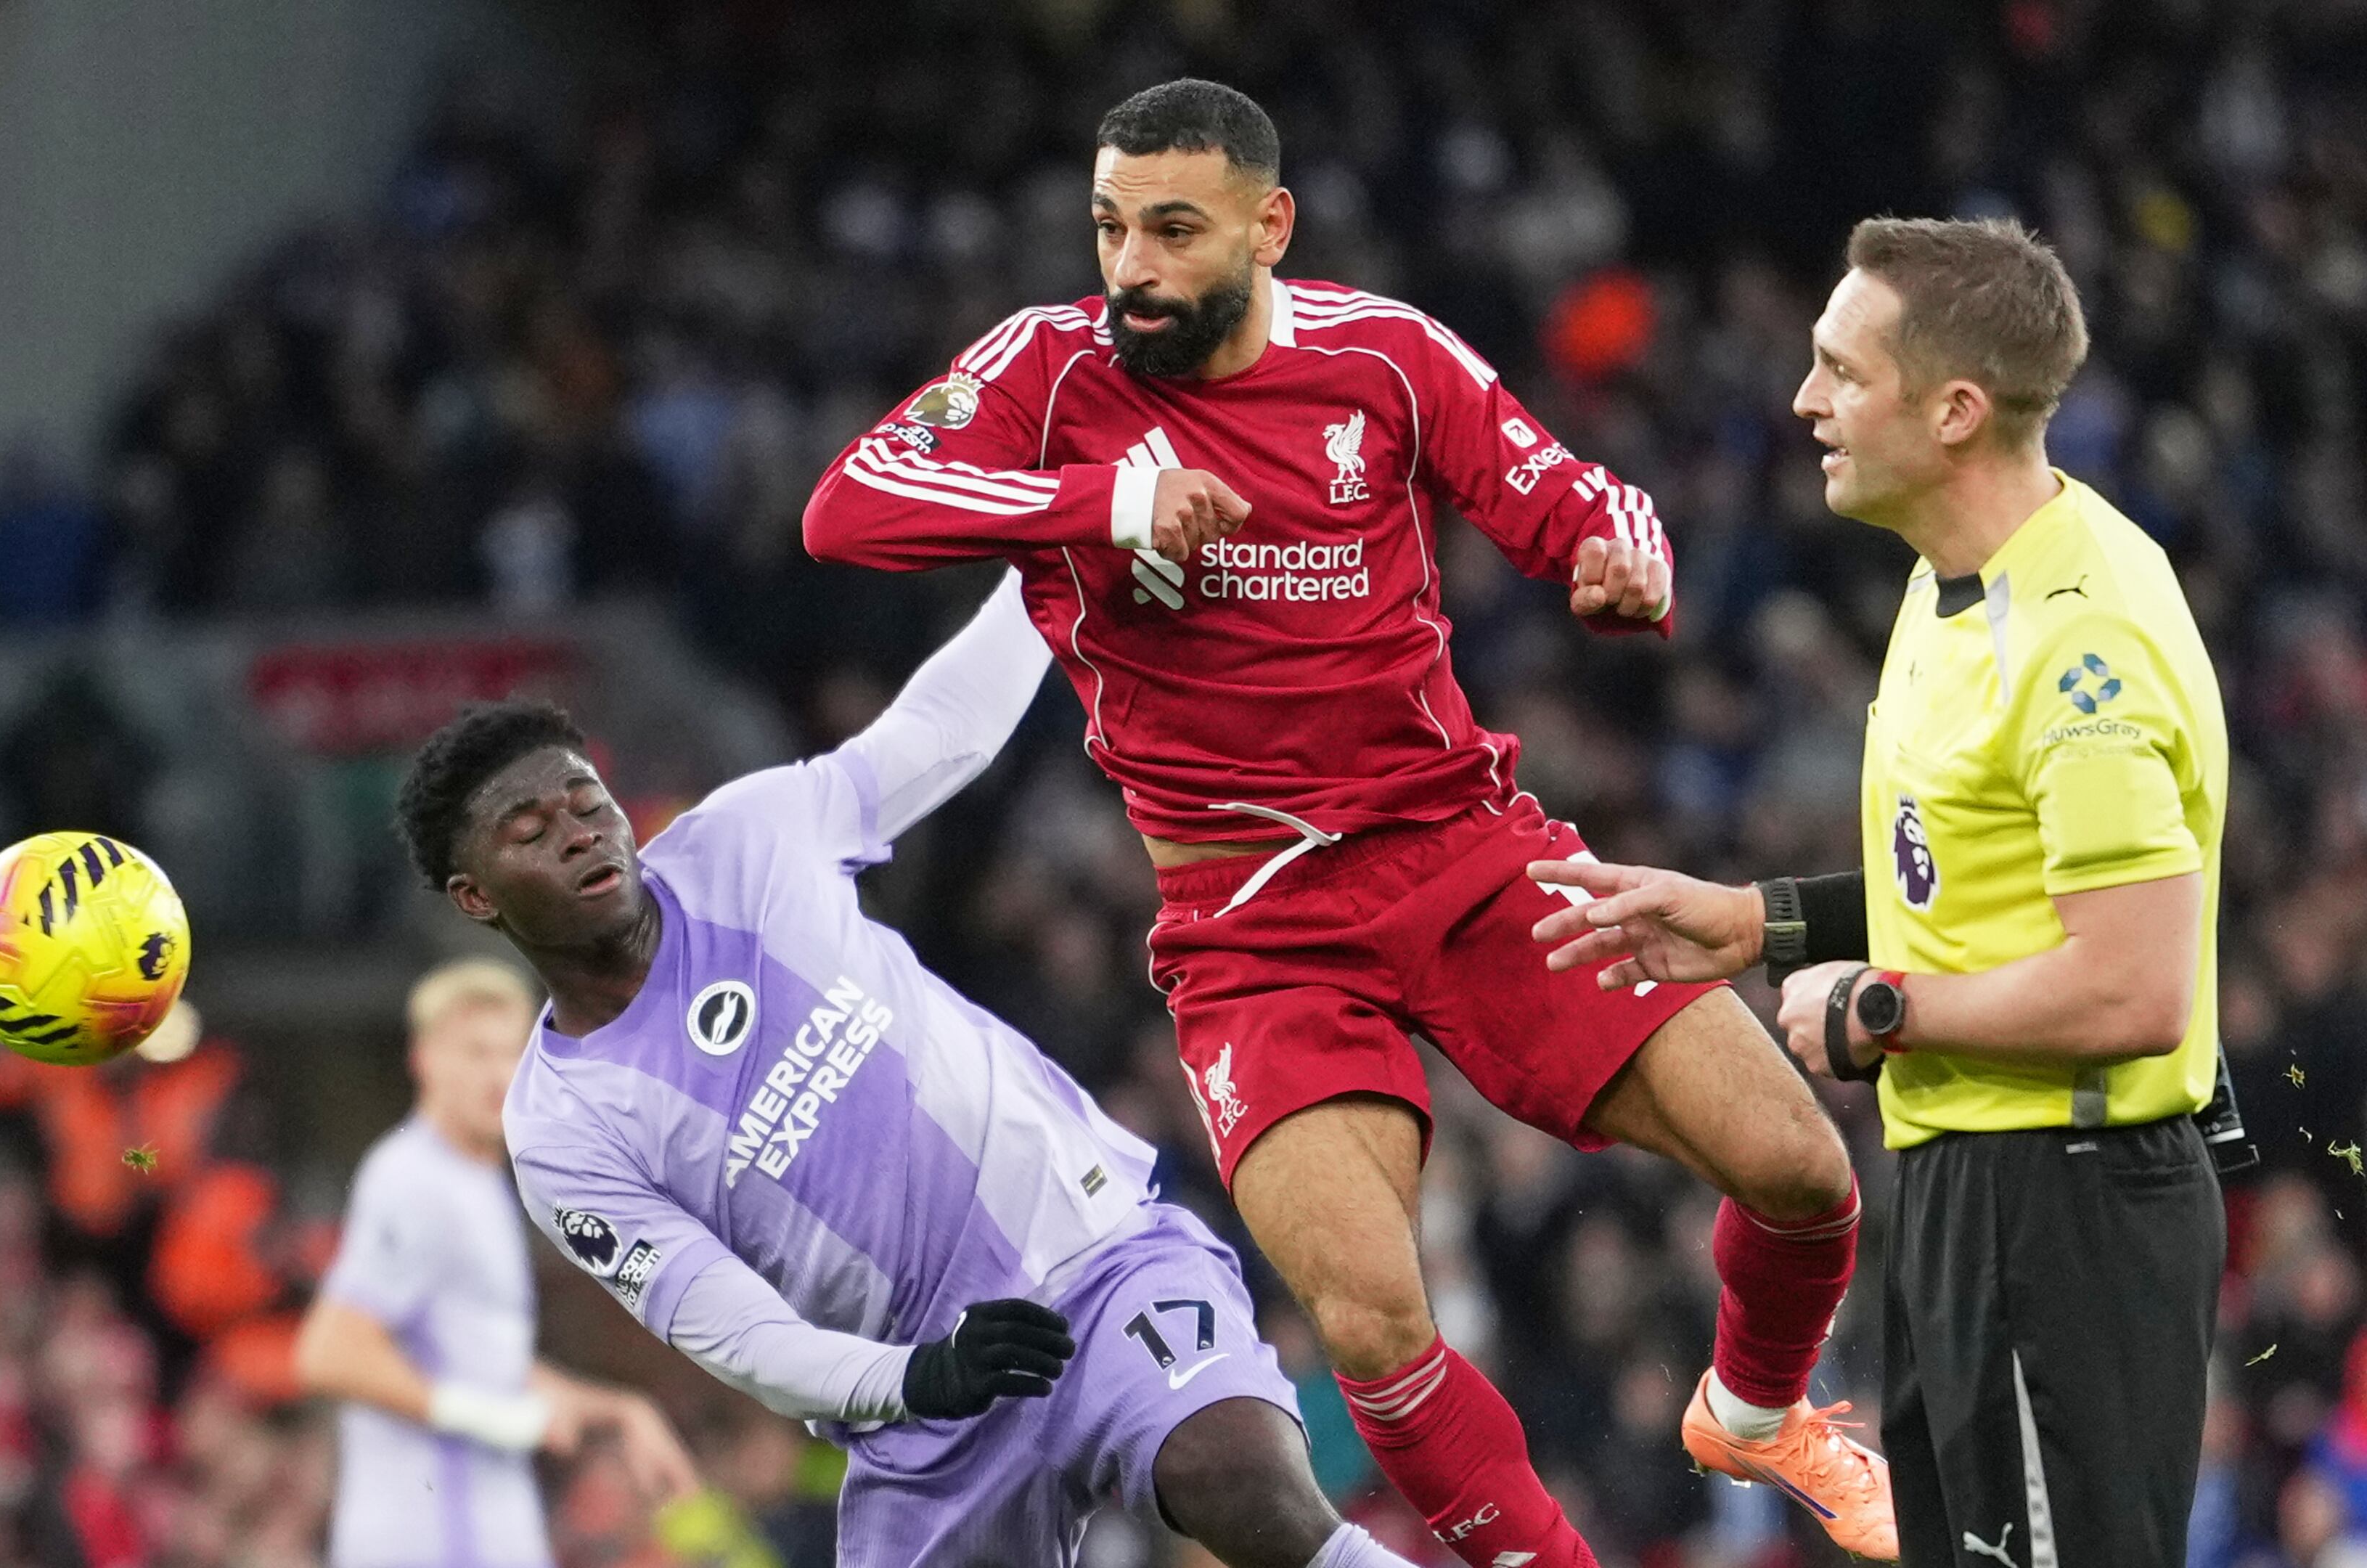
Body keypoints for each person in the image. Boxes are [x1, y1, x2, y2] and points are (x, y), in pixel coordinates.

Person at [799, 78, 1889, 1561]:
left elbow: (1575, 495)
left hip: (1468, 852)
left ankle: (1758, 1419)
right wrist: (1101, 505)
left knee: (1805, 1175)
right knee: (1374, 1317)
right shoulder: (1050, 374)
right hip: (1252, 926)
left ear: (1270, 226)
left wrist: (1622, 560)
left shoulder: (1383, 355)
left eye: (1175, 231)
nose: (1134, 269)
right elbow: (851, 506)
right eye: (1112, 228)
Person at [393, 571, 1423, 1568]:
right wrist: (915, 1377)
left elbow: (940, 737)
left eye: (584, 802)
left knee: (1233, 1474)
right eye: (531, 834)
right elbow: (733, 1329)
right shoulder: (561, 1128)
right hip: (923, 1402)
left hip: (1092, 1252)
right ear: (477, 897)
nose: (578, 836)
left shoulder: (746, 841)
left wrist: (1051, 567)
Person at [1529, 216, 2228, 1567]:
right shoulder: (1949, 584)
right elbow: (1969, 875)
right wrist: (1756, 923)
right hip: (1971, 1183)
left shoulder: (2082, 645)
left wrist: (1887, 1009)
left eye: (1842, 372)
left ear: (1956, 410)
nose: (1805, 402)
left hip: (2067, 1205)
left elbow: (2140, 986)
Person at [295, 958, 700, 1568]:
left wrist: (617, 1410)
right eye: (475, 1052)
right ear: (424, 1058)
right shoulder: (412, 1179)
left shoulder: (480, 1182)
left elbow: (481, 1363)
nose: (498, 1073)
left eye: (512, 1052)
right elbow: (329, 1353)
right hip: (429, 1540)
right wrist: (502, 1419)